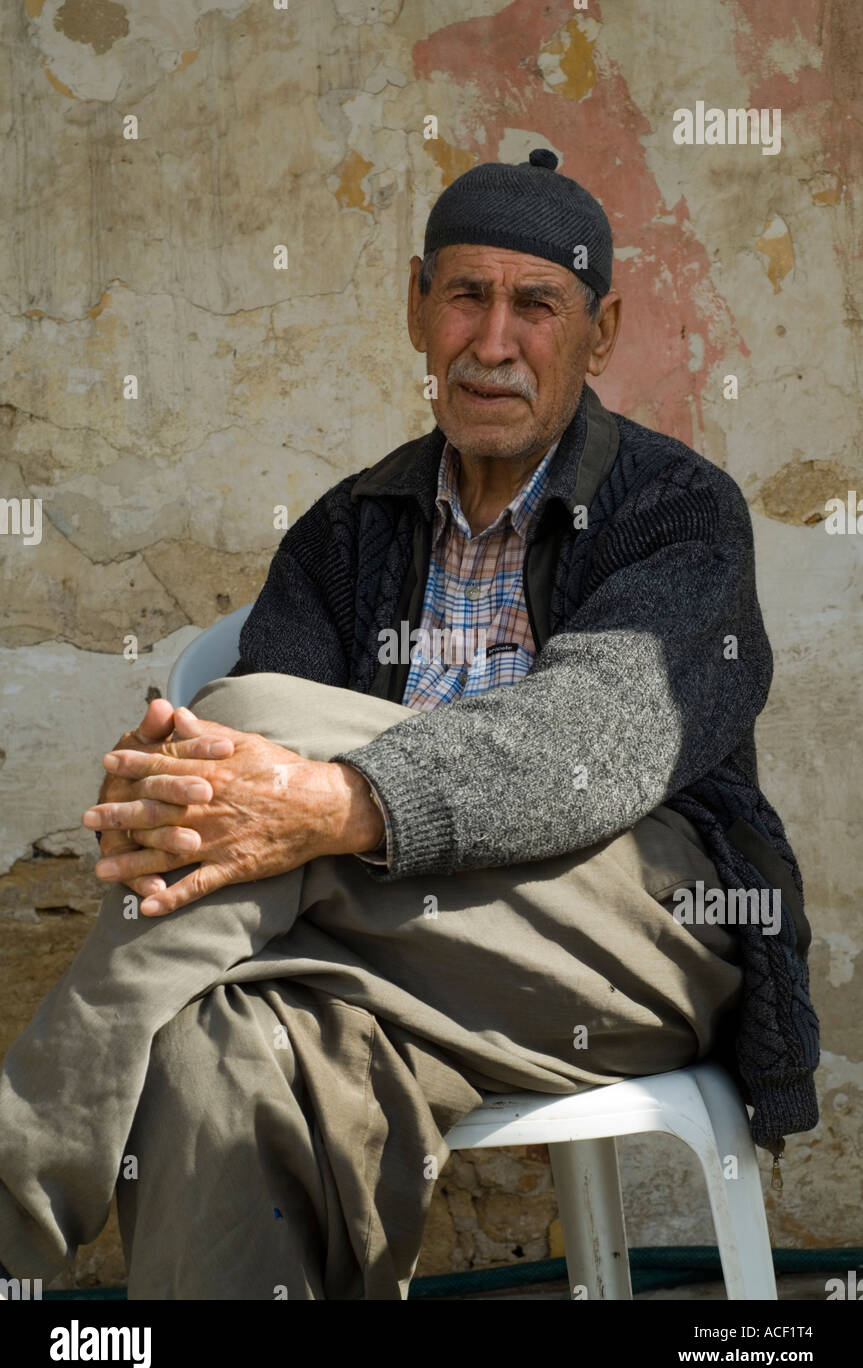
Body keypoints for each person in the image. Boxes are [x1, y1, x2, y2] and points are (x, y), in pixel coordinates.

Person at [0, 150, 818, 1300]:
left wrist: (333, 805)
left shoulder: (675, 511)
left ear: (601, 329)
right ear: (413, 307)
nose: (492, 342)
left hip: (632, 940)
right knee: (211, 1058)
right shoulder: (344, 532)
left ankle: (16, 1209)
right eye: (463, 296)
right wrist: (266, 800)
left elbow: (598, 737)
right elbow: (239, 808)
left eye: (535, 304)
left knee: (251, 720)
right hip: (393, 964)